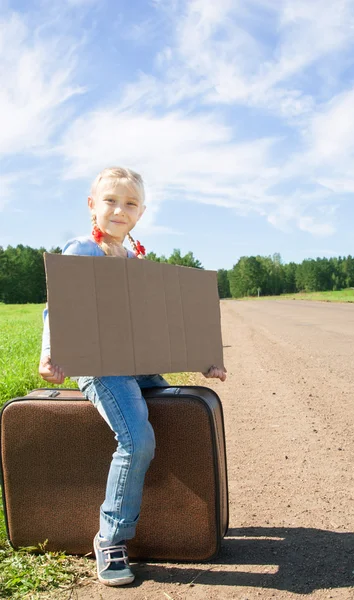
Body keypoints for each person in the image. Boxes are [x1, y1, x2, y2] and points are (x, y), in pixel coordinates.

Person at [39, 166, 226, 587]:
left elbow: (161, 323)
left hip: (139, 366)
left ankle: (181, 515)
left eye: (129, 203)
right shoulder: (83, 251)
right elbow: (58, 306)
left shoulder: (136, 258)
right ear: (92, 205)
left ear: (141, 213)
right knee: (137, 438)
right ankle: (110, 538)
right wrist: (51, 353)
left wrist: (203, 359)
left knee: (181, 416)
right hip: (102, 368)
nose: (119, 209)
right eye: (110, 200)